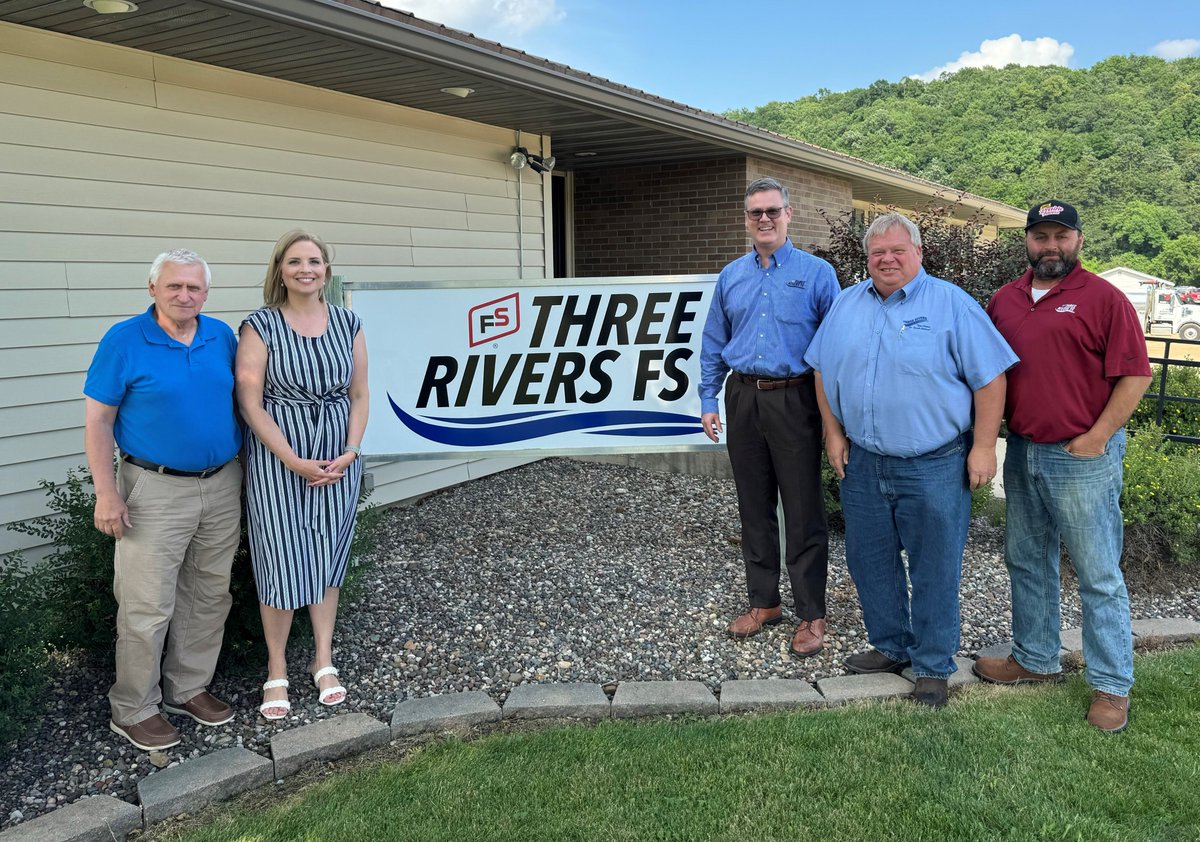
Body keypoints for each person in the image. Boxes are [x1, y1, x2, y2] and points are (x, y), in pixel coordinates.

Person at [805, 213, 1017, 707]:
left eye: (898, 250)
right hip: (865, 461)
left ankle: (932, 663)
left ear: (918, 253)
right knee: (869, 562)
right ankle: (892, 646)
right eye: (878, 252)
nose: (888, 260)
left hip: (935, 464)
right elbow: (821, 368)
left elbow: (991, 379)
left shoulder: (951, 304)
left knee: (934, 567)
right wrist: (832, 432)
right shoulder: (845, 305)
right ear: (867, 258)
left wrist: (984, 447)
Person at [976, 200, 1152, 733]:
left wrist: (1097, 437)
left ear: (1077, 239)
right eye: (1040, 236)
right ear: (1026, 241)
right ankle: (1034, 657)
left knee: (1098, 574)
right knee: (1027, 560)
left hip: (1081, 458)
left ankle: (1111, 686)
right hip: (1024, 450)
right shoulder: (1003, 300)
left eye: (1061, 236)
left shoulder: (1103, 299)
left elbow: (1136, 375)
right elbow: (987, 373)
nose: (1050, 246)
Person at [84, 249, 242, 751]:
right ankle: (133, 708)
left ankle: (187, 687)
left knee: (209, 593)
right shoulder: (125, 341)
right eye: (174, 286)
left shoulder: (221, 336)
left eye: (194, 288)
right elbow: (98, 420)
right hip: (153, 488)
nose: (185, 295)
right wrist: (106, 493)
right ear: (153, 288)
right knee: (146, 604)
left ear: (206, 293)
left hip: (221, 483)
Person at [699, 177, 840, 657]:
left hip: (794, 398)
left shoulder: (818, 274)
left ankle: (811, 614)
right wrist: (708, 399)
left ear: (789, 213)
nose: (764, 219)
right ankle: (765, 603)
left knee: (802, 512)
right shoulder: (731, 275)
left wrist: (832, 418)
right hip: (743, 397)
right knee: (753, 507)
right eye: (755, 213)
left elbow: (834, 348)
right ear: (746, 219)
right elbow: (714, 342)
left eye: (772, 211)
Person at [236, 230, 369, 719]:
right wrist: (291, 458)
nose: (305, 269)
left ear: (326, 271)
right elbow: (249, 401)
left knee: (328, 553)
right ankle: (276, 668)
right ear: (280, 271)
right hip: (279, 456)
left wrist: (351, 449)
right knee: (279, 557)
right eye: (294, 261)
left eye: (314, 261)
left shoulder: (348, 322)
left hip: (338, 456)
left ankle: (323, 660)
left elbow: (359, 394)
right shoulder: (260, 325)